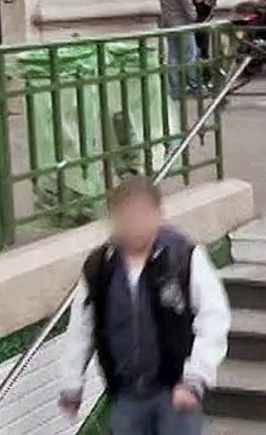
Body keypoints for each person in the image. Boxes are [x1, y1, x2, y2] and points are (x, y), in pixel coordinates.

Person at [58, 177, 230, 435]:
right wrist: (71, 382)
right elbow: (81, 328)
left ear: (159, 214)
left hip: (175, 393)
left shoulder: (183, 257)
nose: (134, 226)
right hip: (126, 396)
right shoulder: (99, 268)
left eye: (141, 216)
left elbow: (214, 316)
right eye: (126, 218)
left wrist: (196, 377)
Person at [157, 0, 201, 98]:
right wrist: (192, 14)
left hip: (168, 20)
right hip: (181, 20)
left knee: (173, 55)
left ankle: (175, 89)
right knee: (190, 54)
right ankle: (195, 86)